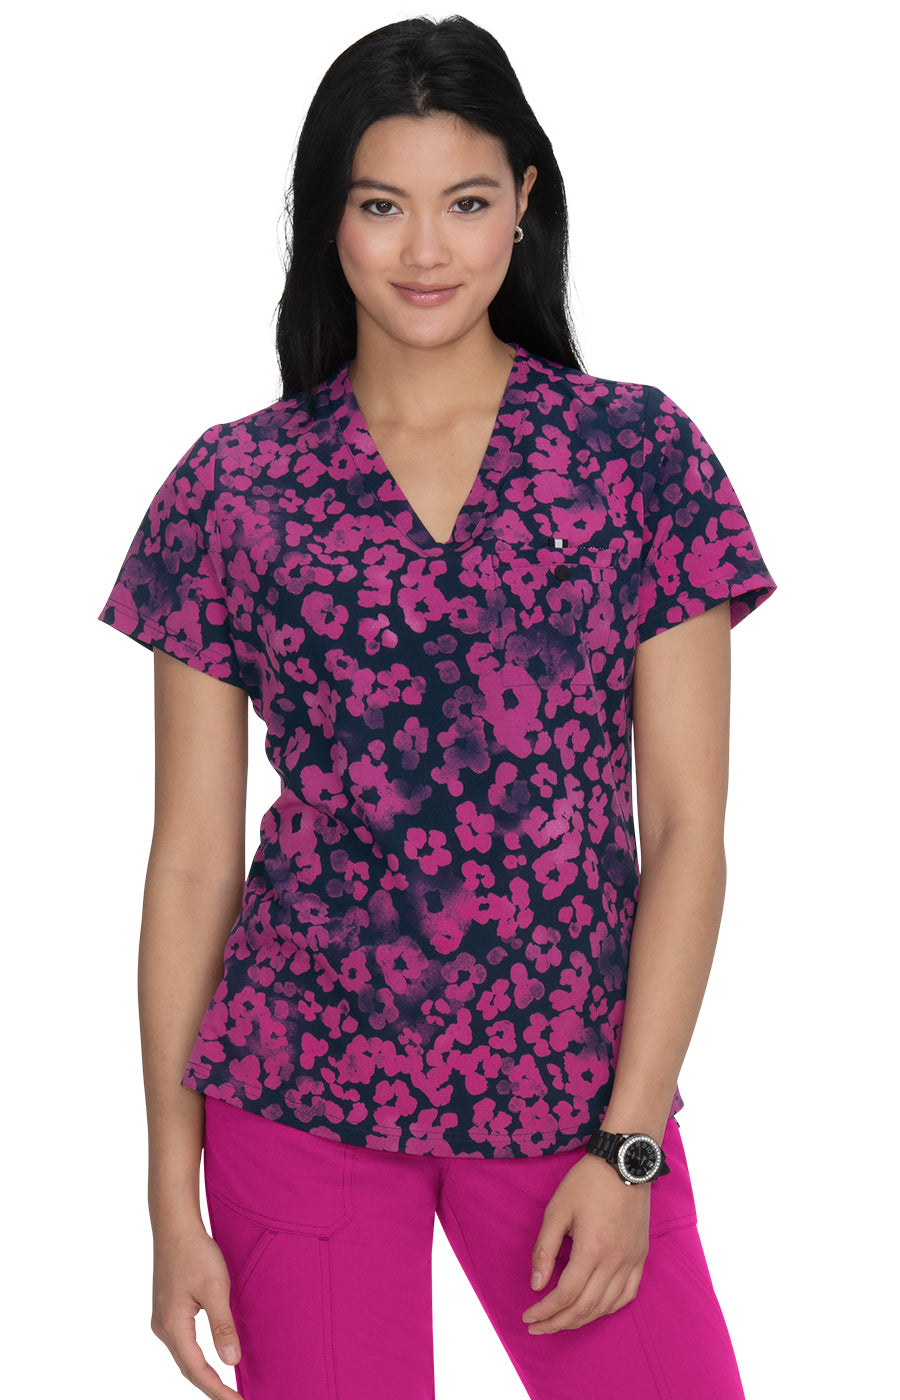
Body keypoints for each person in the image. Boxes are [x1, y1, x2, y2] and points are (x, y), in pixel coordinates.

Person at [98, 15, 777, 1400]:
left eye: (465, 203)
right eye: (380, 206)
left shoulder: (640, 458)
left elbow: (688, 831)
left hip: (573, 1101)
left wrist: (630, 1145)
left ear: (524, 202)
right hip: (297, 1092)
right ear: (326, 219)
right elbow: (190, 866)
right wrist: (172, 1199)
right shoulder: (232, 489)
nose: (424, 250)